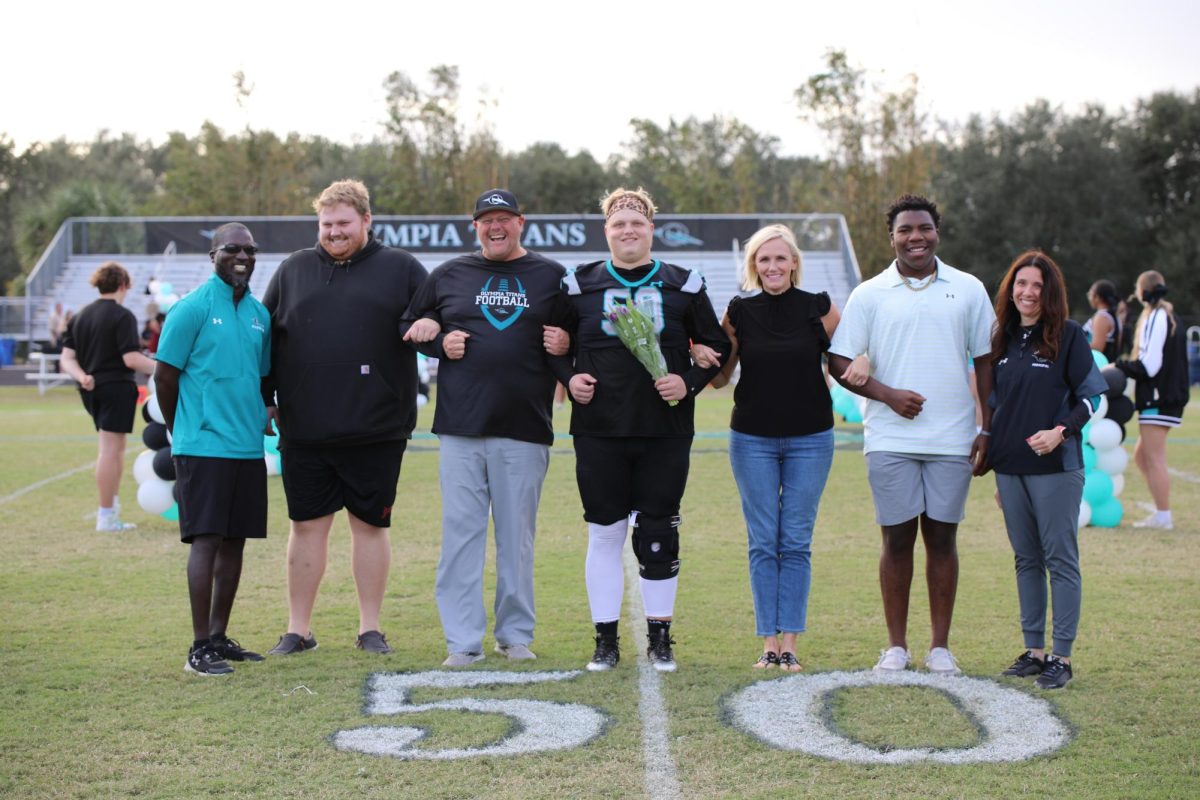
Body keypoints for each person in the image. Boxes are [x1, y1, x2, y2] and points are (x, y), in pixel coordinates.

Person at [555, 187, 730, 672]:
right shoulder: (578, 284)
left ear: (651, 228)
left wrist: (689, 380)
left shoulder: (685, 283)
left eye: (636, 222)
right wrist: (570, 378)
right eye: (618, 223)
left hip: (664, 430)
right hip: (600, 429)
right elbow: (551, 343)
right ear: (606, 230)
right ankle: (605, 640)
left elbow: (717, 346)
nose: (627, 230)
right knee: (605, 533)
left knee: (658, 533)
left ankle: (660, 637)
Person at [402, 188, 571, 667]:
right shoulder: (450, 274)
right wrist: (437, 343)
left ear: (522, 222)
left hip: (524, 426)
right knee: (461, 536)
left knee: (517, 538)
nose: (495, 227)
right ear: (474, 226)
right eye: (485, 220)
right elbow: (410, 323)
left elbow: (574, 336)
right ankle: (462, 641)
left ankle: (514, 634)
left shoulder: (552, 277)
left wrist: (566, 341)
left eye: (504, 218)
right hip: (460, 426)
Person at [828, 194, 995, 675]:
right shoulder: (870, 293)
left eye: (924, 228)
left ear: (937, 232)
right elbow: (839, 361)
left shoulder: (967, 289)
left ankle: (940, 647)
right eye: (905, 230)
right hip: (890, 440)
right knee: (896, 541)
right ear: (893, 236)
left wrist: (986, 426)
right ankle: (896, 647)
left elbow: (984, 362)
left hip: (952, 439)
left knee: (943, 540)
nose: (915, 237)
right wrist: (886, 395)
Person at [261, 179, 428, 656]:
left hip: (377, 427)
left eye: (343, 224)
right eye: (326, 224)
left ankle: (369, 628)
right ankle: (298, 630)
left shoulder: (402, 269)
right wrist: (265, 397)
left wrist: (433, 323)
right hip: (305, 427)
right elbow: (266, 340)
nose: (333, 232)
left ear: (366, 222)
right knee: (306, 526)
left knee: (370, 526)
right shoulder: (293, 269)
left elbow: (432, 318)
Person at [709, 225, 840, 671]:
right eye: (764, 260)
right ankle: (768, 643)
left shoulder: (819, 308)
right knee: (764, 541)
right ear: (754, 266)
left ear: (794, 263)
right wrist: (703, 355)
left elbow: (846, 360)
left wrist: (862, 360)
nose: (773, 267)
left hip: (811, 439)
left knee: (796, 541)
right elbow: (721, 378)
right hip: (752, 440)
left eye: (780, 259)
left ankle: (791, 645)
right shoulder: (739, 311)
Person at [154, 223, 273, 676]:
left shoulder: (259, 313)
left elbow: (261, 379)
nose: (242, 256)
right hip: (202, 444)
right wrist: (180, 426)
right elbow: (165, 377)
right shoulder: (192, 309)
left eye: (250, 249)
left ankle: (220, 637)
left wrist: (266, 409)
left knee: (235, 540)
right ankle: (198, 647)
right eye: (232, 249)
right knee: (206, 540)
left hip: (245, 446)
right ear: (213, 255)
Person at [986, 251, 1107, 690]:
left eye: (1037, 285)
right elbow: (997, 405)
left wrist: (1061, 431)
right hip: (1010, 470)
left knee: (1060, 559)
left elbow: (1093, 399)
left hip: (1056, 468)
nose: (1028, 293)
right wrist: (996, 465)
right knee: (1026, 559)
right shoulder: (1001, 338)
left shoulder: (1069, 337)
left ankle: (1063, 656)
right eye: (1021, 284)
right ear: (1011, 289)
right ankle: (1034, 652)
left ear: (1049, 292)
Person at [59, 262, 157, 532]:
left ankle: (110, 510)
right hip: (115, 388)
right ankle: (106, 515)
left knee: (111, 449)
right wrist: (165, 369)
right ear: (123, 285)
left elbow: (67, 358)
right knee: (111, 451)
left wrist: (81, 377)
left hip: (91, 389)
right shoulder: (122, 315)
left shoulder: (80, 316)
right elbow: (131, 358)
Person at [1116, 270, 1190, 530]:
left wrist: (1120, 366)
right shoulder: (1167, 316)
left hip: (1159, 396)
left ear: (1143, 292)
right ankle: (1160, 506)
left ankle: (1163, 515)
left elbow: (1150, 365)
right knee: (1142, 456)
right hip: (1167, 395)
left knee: (1155, 458)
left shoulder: (1156, 316)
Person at [1083, 280, 1123, 362]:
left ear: (1097, 297)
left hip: (1098, 366)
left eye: (1090, 294)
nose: (1089, 297)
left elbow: (1097, 348)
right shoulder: (1112, 316)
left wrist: (1075, 345)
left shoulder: (1102, 317)